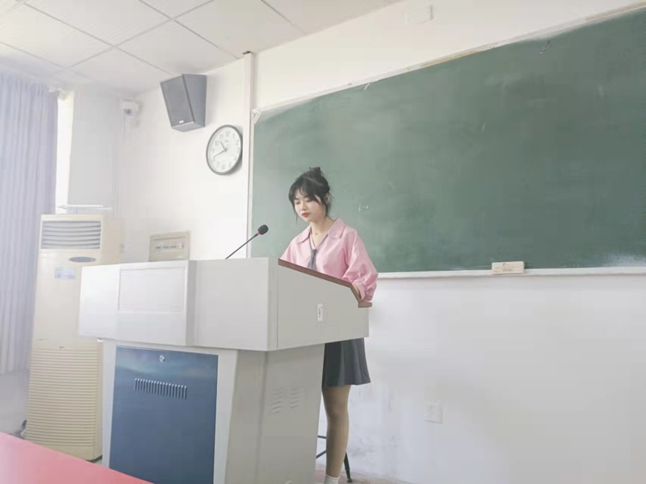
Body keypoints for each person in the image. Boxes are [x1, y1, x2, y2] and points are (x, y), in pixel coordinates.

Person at [281, 167, 378, 484]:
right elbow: (283, 281)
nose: (302, 207)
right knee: (297, 408)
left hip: (338, 334)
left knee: (335, 410)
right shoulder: (297, 243)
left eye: (308, 199)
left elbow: (364, 279)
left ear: (325, 198)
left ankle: (331, 479)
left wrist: (344, 291)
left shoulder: (347, 236)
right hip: (302, 337)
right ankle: (293, 473)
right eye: (297, 202)